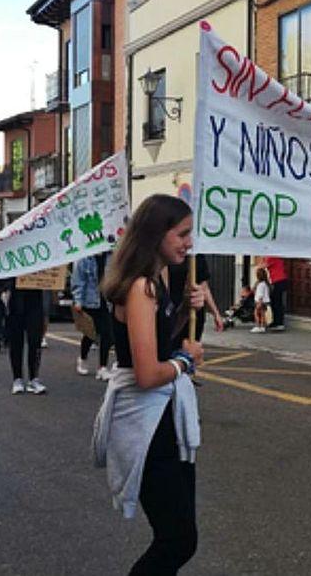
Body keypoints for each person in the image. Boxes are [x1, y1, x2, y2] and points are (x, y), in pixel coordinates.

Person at [92, 195, 206, 575]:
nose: (189, 243)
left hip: (166, 418)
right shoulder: (140, 287)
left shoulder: (158, 279)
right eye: (182, 234)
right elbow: (147, 373)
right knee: (177, 539)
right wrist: (186, 360)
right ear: (157, 233)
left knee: (179, 535)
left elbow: (159, 340)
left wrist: (191, 311)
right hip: (149, 423)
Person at [0, 277, 47, 395]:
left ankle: (33, 378)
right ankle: (17, 378)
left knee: (35, 339)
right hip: (14, 296)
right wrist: (3, 290)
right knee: (16, 340)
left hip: (34, 295)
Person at [72, 252, 114, 380]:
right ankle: (83, 357)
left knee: (107, 333)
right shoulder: (85, 258)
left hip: (106, 301)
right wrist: (78, 301)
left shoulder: (111, 256)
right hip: (90, 301)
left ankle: (102, 367)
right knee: (91, 333)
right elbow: (79, 281)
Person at [167, 253, 224, 343]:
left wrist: (216, 313)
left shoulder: (198, 256)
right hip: (172, 310)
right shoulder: (168, 257)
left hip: (195, 310)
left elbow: (204, 287)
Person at [255, 256, 287, 331]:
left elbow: (262, 266)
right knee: (274, 302)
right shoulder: (269, 257)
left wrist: (260, 262)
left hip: (279, 280)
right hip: (276, 281)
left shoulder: (272, 257)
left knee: (277, 302)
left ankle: (279, 323)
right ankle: (275, 321)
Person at [251, 268, 270, 334]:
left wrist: (259, 302)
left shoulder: (260, 285)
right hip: (265, 301)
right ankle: (262, 326)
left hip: (260, 301)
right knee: (262, 314)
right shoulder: (265, 283)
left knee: (256, 313)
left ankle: (258, 326)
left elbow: (260, 294)